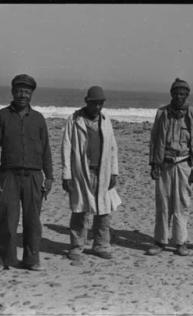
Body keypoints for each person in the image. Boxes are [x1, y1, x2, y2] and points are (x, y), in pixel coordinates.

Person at [0, 74, 54, 272]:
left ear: (32, 94)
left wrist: (49, 176)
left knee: (33, 222)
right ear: (13, 92)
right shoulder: (1, 116)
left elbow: (46, 149)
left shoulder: (39, 119)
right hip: (8, 176)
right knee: (7, 220)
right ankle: (3, 260)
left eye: (27, 91)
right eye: (19, 90)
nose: (22, 94)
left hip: (34, 177)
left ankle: (31, 260)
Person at [61, 85, 121, 262]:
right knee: (80, 210)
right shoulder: (74, 120)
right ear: (87, 102)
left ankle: (101, 245)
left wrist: (114, 172)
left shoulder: (105, 120)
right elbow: (66, 148)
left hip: (103, 171)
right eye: (94, 103)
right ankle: (76, 247)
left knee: (104, 211)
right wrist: (67, 175)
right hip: (81, 172)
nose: (97, 107)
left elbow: (113, 147)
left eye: (100, 104)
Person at [147, 78, 193, 256]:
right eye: (176, 93)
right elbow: (154, 139)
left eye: (182, 93)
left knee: (182, 204)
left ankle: (180, 242)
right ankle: (160, 241)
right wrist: (154, 164)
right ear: (171, 94)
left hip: (184, 164)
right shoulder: (162, 113)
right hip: (164, 163)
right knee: (163, 204)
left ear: (187, 95)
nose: (179, 96)